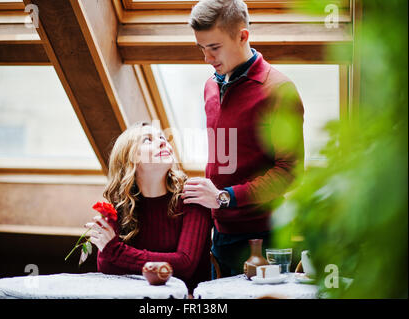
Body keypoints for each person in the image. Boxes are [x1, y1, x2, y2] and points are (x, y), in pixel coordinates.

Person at [183, 0, 305, 278]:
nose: (207, 58)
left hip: (264, 238)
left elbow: (289, 172)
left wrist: (225, 198)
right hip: (219, 235)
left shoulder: (279, 90)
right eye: (201, 48)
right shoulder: (210, 86)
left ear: (243, 35)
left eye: (214, 47)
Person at [84, 122, 212, 292]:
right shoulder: (121, 205)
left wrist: (117, 252)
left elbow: (184, 265)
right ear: (130, 158)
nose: (163, 142)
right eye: (147, 140)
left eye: (162, 138)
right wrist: (115, 254)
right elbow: (106, 266)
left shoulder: (193, 198)